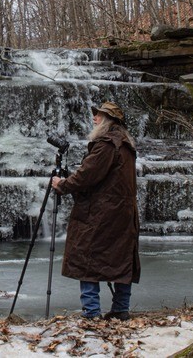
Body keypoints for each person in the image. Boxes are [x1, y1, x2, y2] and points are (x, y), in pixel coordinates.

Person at [51, 101, 140, 321]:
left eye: (98, 116)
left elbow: (87, 175)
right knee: (120, 259)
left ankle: (91, 312)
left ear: (108, 121)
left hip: (102, 214)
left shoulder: (107, 145)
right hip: (123, 213)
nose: (94, 118)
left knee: (86, 257)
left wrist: (61, 185)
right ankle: (120, 309)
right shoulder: (126, 145)